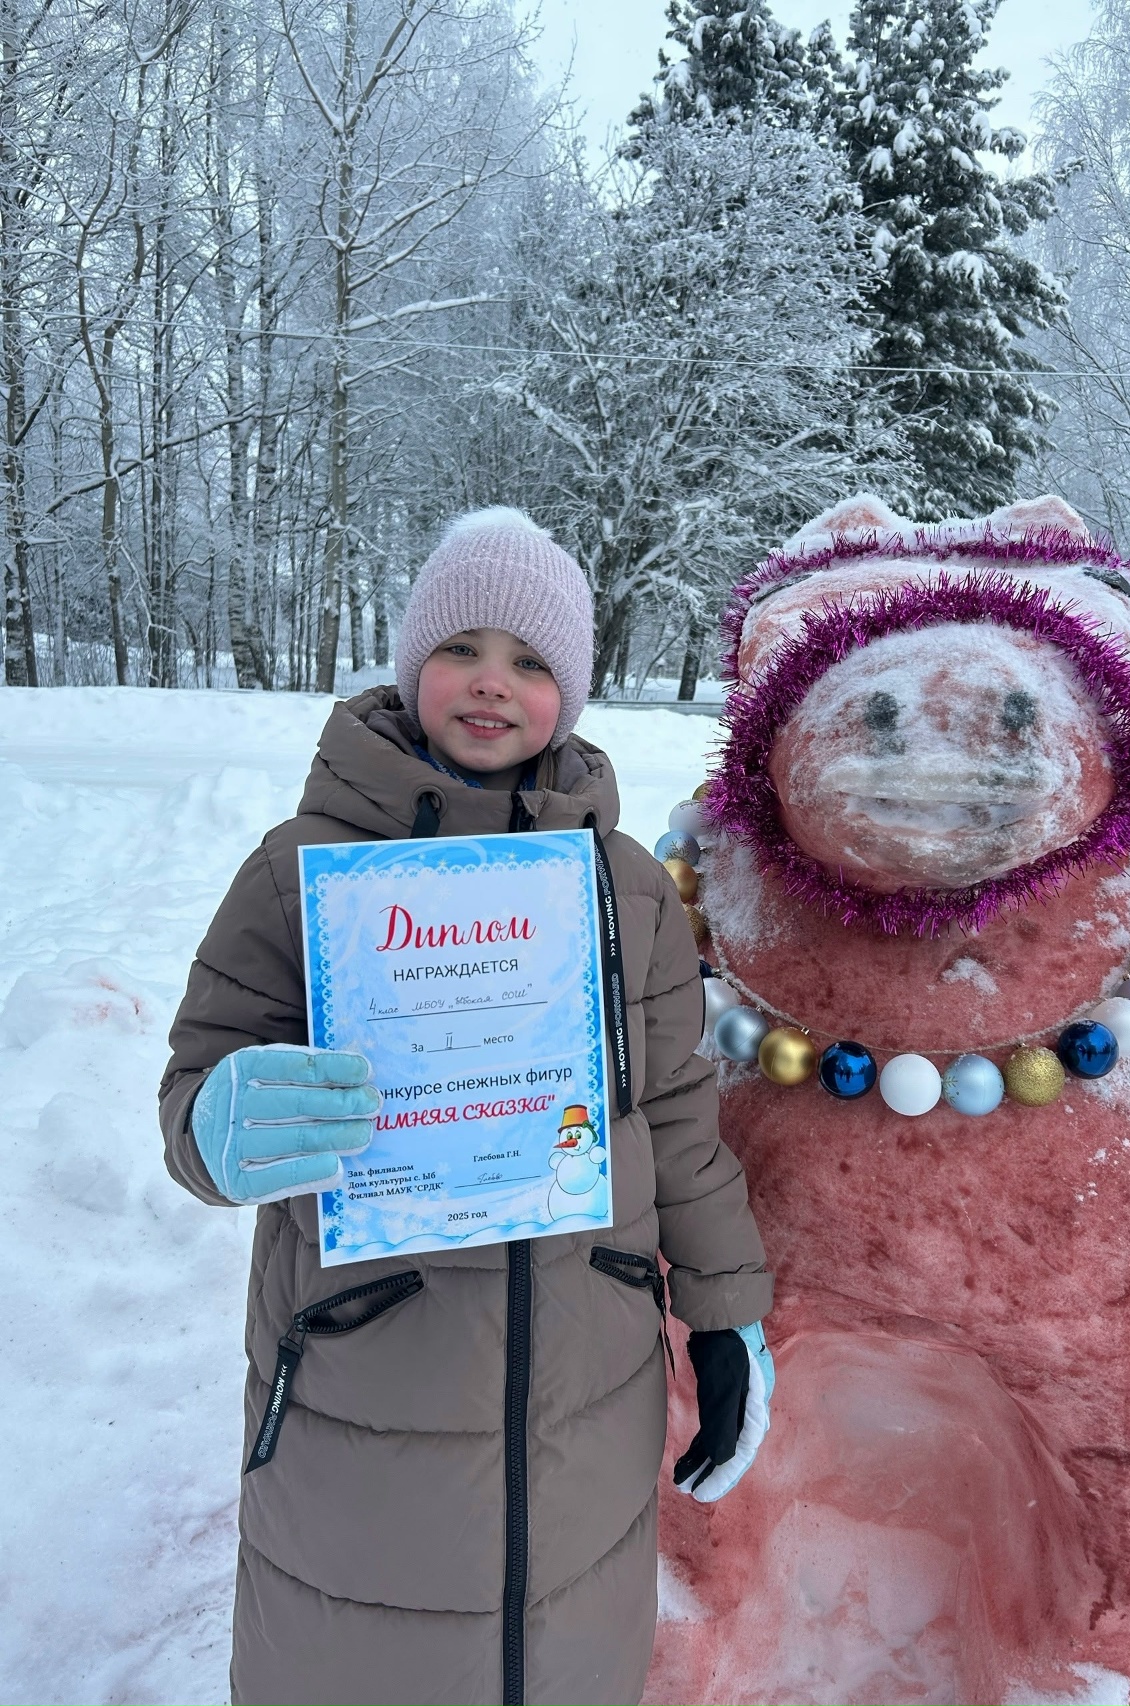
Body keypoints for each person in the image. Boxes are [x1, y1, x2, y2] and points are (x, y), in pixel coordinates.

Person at [159, 507, 775, 1706]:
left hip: (585, 1373)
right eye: (461, 648)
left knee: (569, 1644)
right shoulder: (298, 870)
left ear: (571, 692)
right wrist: (219, 1126)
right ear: (410, 663)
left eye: (530, 660)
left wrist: (723, 1312)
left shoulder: (626, 888)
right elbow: (200, 1085)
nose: (492, 682)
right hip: (364, 1365)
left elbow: (674, 1113)